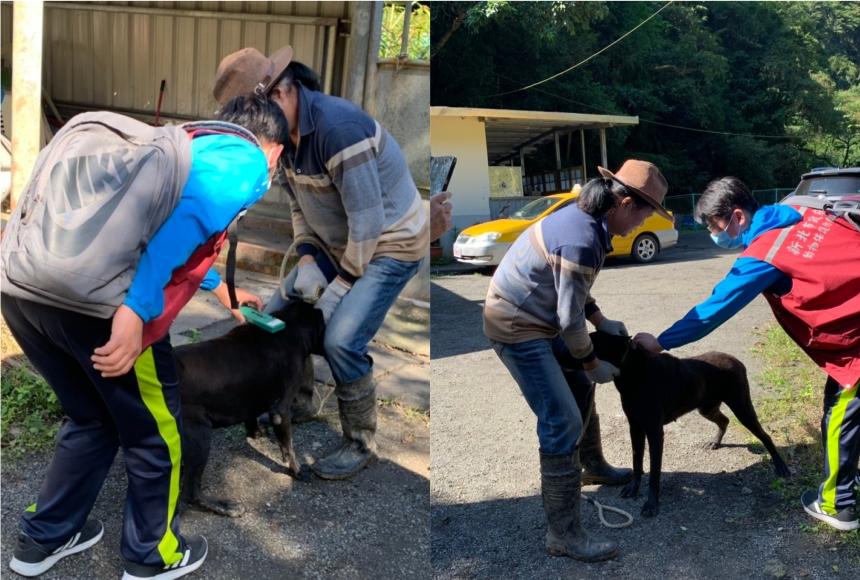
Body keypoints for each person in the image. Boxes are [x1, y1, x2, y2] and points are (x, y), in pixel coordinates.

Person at [1, 96, 286, 579]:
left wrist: (219, 291)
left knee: (91, 417)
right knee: (158, 435)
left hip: (24, 292)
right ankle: (151, 555)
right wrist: (136, 310)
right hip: (103, 311)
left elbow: (154, 229)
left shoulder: (183, 142)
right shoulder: (248, 159)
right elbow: (187, 222)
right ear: (274, 149)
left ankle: (44, 538)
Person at [213, 47, 429, 480]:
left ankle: (360, 441)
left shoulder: (339, 130)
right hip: (335, 245)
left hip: (390, 244)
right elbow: (300, 210)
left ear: (281, 93)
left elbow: (368, 226)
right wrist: (309, 258)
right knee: (272, 318)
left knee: (340, 340)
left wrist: (339, 289)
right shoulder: (282, 139)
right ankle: (299, 399)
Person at [634, 176, 860, 532]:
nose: (713, 234)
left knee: (840, 414)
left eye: (714, 225)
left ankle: (839, 506)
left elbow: (713, 309)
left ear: (738, 216)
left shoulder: (762, 256)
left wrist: (661, 341)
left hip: (856, 344)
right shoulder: (796, 209)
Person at [483, 159, 671, 561]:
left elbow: (573, 289)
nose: (641, 224)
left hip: (536, 318)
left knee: (580, 389)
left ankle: (592, 465)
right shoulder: (583, 237)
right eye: (643, 214)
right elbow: (569, 319)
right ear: (623, 202)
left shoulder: (587, 221)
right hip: (518, 327)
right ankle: (563, 535)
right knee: (561, 418)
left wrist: (601, 319)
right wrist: (590, 362)